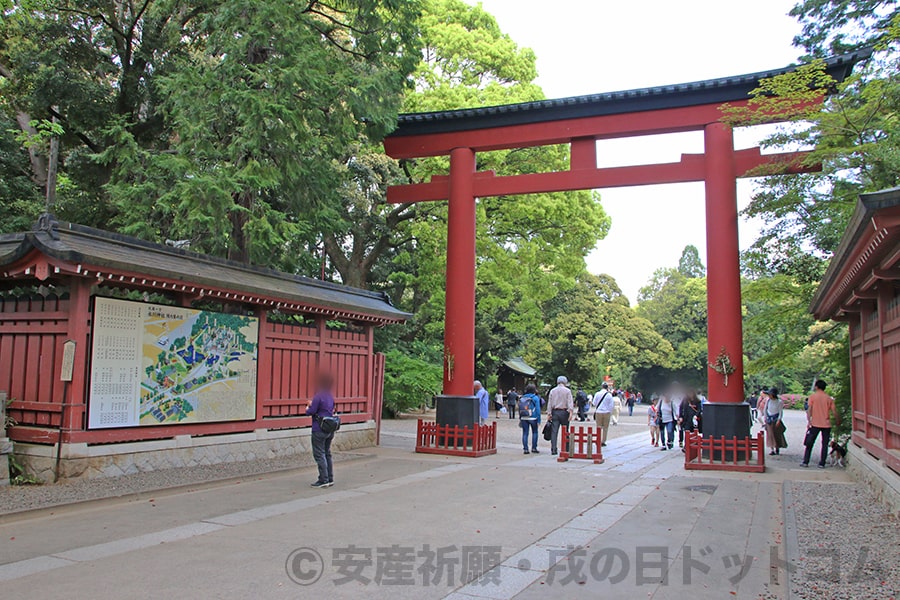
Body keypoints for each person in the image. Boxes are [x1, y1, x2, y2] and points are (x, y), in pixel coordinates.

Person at [305, 372, 336, 488]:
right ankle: (330, 477)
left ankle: (323, 479)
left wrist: (308, 407)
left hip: (318, 428)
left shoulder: (319, 396)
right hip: (329, 428)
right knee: (327, 453)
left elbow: (311, 411)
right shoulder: (330, 396)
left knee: (319, 454)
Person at [801, 380, 841, 468]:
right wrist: (838, 420)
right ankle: (822, 463)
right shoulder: (828, 398)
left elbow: (809, 409)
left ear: (816, 387)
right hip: (826, 424)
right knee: (825, 444)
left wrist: (809, 421)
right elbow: (834, 411)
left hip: (815, 423)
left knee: (810, 443)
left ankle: (805, 461)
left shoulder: (813, 397)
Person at [546, 376, 574, 455]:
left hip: (555, 412)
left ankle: (553, 449)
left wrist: (549, 413)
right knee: (565, 430)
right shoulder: (567, 391)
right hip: (564, 412)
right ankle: (566, 448)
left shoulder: (552, 391)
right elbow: (570, 403)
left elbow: (550, 403)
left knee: (554, 431)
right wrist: (571, 412)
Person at [518, 384, 541, 454]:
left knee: (525, 433)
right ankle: (534, 448)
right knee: (535, 432)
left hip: (524, 417)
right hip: (533, 417)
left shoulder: (522, 398)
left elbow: (519, 408)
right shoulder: (535, 398)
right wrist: (539, 419)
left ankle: (525, 449)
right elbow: (538, 409)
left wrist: (520, 418)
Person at [761, 387, 784, 456]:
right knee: (770, 435)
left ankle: (777, 447)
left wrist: (779, 419)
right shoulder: (768, 401)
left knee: (776, 434)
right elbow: (765, 410)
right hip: (769, 419)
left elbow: (780, 412)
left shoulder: (779, 402)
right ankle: (772, 449)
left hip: (776, 419)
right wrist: (765, 418)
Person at [592, 382, 614, 447]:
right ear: (607, 387)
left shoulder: (597, 394)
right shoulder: (609, 395)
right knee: (605, 428)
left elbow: (594, 403)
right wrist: (609, 411)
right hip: (606, 412)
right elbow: (611, 405)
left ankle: (598, 439)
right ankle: (603, 441)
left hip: (599, 412)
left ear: (602, 387)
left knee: (598, 427)